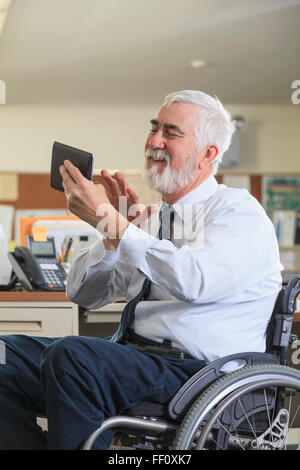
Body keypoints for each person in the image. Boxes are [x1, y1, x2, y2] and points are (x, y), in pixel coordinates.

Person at [0, 90, 282, 450]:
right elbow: (84, 294)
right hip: (138, 359)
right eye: (154, 128)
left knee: (73, 358)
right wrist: (112, 232)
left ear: (207, 154)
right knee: (4, 354)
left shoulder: (237, 211)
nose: (154, 141)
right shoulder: (151, 221)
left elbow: (193, 280)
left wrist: (115, 223)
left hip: (199, 374)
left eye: (171, 132)